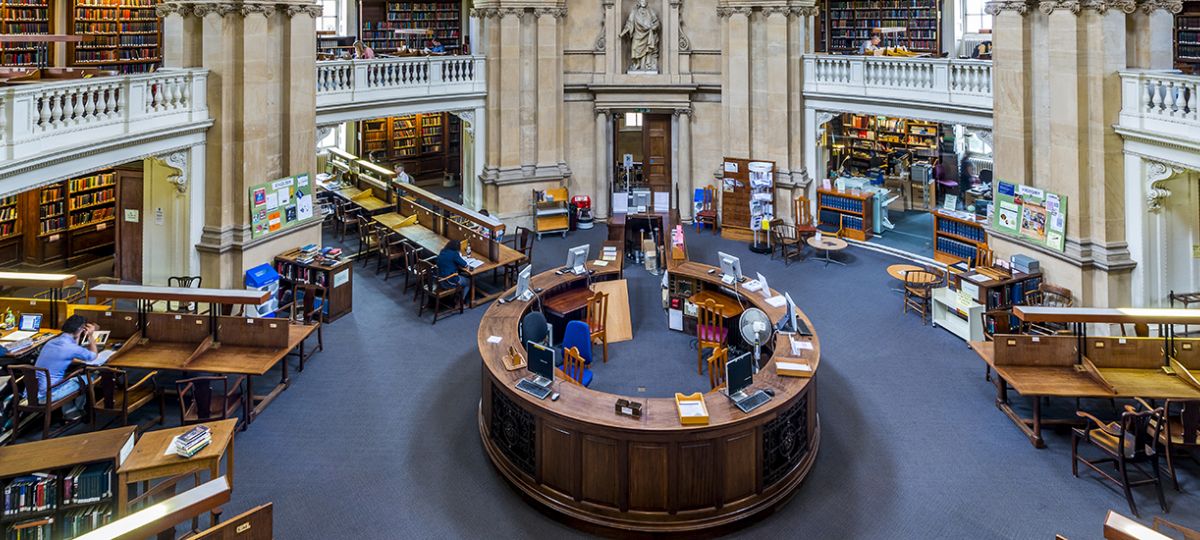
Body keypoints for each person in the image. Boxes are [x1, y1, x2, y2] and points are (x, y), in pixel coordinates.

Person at [33, 315, 105, 419]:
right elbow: (93, 356)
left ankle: (69, 410)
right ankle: (74, 413)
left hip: (33, 392)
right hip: (49, 394)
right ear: (80, 329)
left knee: (70, 376)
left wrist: (78, 334)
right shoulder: (70, 347)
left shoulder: (51, 342)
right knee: (89, 378)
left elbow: (65, 355)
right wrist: (90, 336)